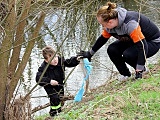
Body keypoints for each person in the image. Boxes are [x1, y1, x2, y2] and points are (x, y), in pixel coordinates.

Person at [78, 2, 160, 80]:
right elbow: (102, 39)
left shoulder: (130, 24)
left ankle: (142, 71)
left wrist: (139, 69)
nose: (103, 27)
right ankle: (126, 74)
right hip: (134, 40)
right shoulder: (110, 24)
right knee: (112, 49)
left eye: (102, 24)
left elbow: (142, 46)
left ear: (109, 22)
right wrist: (90, 53)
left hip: (152, 42)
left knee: (128, 55)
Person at [36, 46, 80, 117]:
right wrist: (49, 81)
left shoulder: (60, 61)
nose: (55, 60)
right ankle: (53, 114)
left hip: (59, 84)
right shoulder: (43, 67)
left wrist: (76, 59)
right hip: (49, 86)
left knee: (61, 98)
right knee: (54, 98)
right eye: (52, 59)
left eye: (55, 57)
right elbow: (38, 78)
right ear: (46, 60)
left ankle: (60, 112)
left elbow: (69, 62)